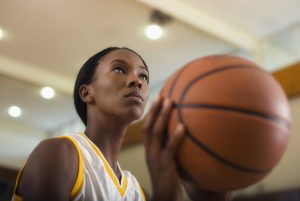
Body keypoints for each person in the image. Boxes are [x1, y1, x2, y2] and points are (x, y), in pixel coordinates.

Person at [11, 47, 231, 201]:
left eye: (144, 76)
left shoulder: (138, 192)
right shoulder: (60, 152)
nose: (137, 81)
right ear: (87, 92)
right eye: (119, 69)